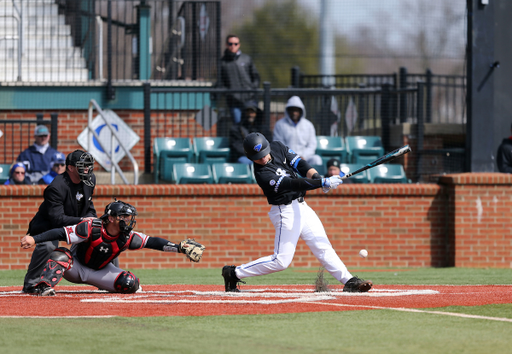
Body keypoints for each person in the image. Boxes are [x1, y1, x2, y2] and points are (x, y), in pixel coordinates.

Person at [221, 132, 373, 293]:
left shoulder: (278, 147)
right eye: (258, 157)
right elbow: (293, 183)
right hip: (284, 211)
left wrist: (317, 177)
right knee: (281, 261)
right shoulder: (262, 174)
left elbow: (300, 164)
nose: (263, 159)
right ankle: (234, 273)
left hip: (302, 207)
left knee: (323, 246)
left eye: (264, 154)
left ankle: (348, 280)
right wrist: (321, 182)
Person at [20, 200, 204, 296]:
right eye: (123, 217)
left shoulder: (127, 237)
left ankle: (105, 285)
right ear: (111, 218)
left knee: (130, 283)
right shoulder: (90, 227)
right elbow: (59, 233)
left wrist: (179, 248)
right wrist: (35, 239)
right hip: (75, 267)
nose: (127, 221)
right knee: (60, 255)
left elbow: (153, 242)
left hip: (100, 272)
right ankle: (44, 286)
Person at [22, 150, 97, 294]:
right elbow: (57, 219)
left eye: (88, 165)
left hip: (75, 222)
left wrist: (93, 219)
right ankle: (31, 284)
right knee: (48, 246)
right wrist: (83, 220)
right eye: (82, 165)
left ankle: (111, 278)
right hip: (49, 225)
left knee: (102, 236)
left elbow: (88, 205)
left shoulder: (90, 179)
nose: (87, 168)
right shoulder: (56, 187)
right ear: (70, 167)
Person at [219, 34, 260, 124]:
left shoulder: (246, 59)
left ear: (239, 45)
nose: (233, 46)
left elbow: (255, 76)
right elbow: (221, 82)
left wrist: (252, 89)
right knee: (238, 126)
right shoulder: (223, 62)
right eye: (230, 44)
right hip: (234, 102)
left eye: (235, 44)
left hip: (250, 99)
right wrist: (229, 93)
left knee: (253, 125)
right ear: (226, 45)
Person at [273, 96, 322, 166]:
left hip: (305, 158)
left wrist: (303, 156)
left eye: (296, 110)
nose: (294, 113)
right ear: (288, 111)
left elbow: (312, 145)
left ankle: (315, 177)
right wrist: (291, 157)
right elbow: (278, 145)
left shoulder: (308, 125)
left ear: (301, 111)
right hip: (287, 159)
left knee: (317, 159)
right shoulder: (280, 124)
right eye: (292, 110)